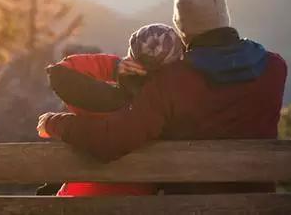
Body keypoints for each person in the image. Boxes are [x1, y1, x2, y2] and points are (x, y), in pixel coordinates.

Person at [37, 0, 288, 193]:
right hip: (258, 206)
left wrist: (55, 123)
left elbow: (112, 141)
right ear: (224, 18)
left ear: (181, 29)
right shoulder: (274, 68)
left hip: (189, 208)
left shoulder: (171, 81)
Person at [38, 23, 184, 197]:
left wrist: (113, 67)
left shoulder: (104, 102)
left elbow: (60, 73)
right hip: (136, 204)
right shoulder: (175, 113)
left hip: (79, 201)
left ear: (132, 61)